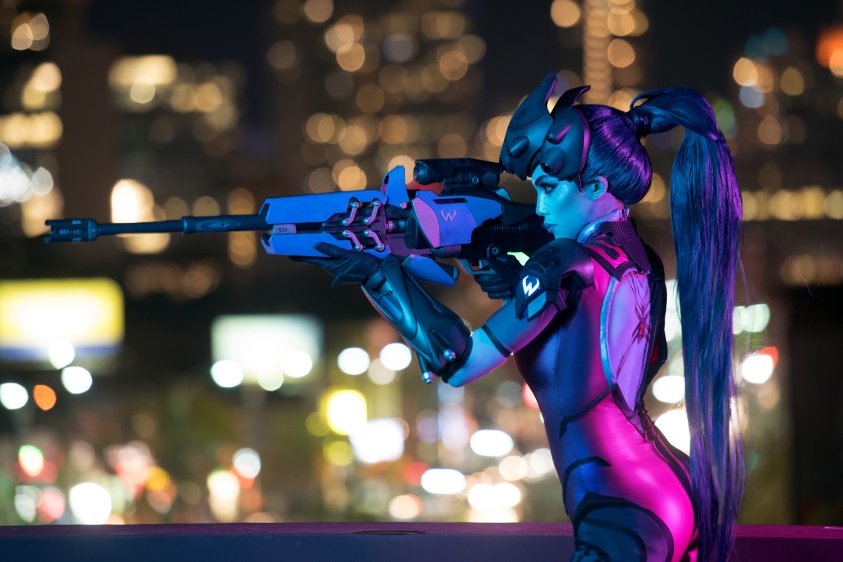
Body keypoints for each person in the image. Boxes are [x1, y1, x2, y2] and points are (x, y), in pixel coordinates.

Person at [300, 74, 744, 562]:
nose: (541, 206)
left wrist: (378, 274)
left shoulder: (563, 260)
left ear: (598, 186)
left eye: (550, 189)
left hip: (618, 508)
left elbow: (459, 363)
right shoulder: (640, 260)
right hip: (669, 484)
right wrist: (514, 280)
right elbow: (602, 352)